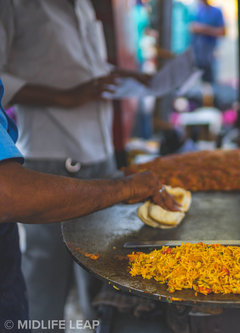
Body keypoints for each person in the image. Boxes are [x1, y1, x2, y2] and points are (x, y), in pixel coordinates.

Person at [0, 0, 155, 325]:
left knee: (99, 271)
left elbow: (86, 67)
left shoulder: (82, 6)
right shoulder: (16, 5)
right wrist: (64, 97)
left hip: (98, 152)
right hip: (50, 155)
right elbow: (3, 79)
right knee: (45, 278)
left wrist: (121, 76)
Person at [0, 77, 179, 330]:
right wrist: (125, 188)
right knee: (46, 285)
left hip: (95, 152)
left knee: (92, 287)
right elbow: (7, 193)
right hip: (48, 157)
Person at [190, 0, 226, 83]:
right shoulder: (196, 10)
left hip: (209, 51)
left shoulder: (216, 11)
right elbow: (191, 27)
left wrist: (204, 29)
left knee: (209, 80)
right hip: (197, 51)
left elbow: (222, 32)